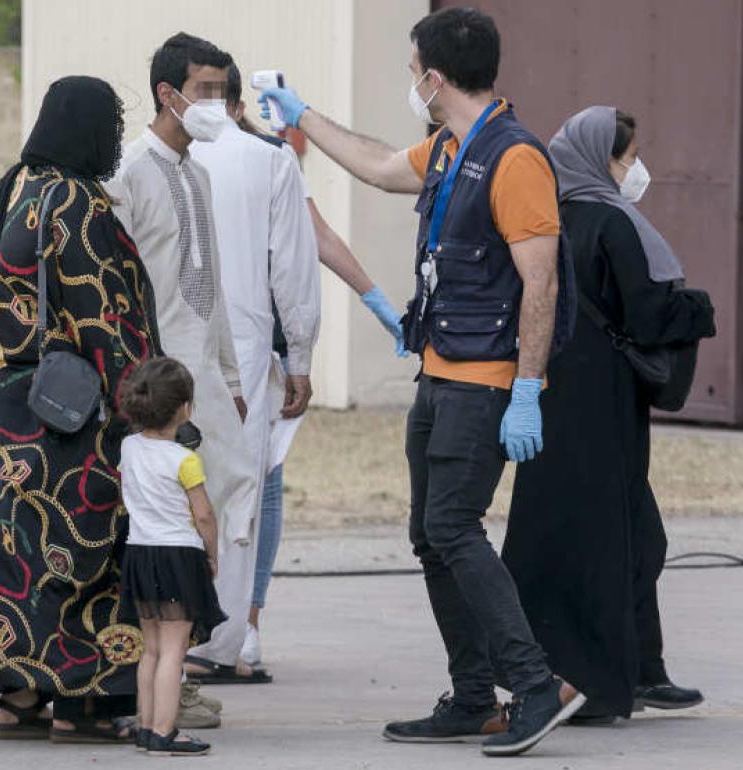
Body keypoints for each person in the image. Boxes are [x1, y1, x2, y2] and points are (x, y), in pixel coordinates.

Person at [260, 7, 586, 756]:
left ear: (435, 77)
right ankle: (475, 697)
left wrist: (527, 388)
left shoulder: (514, 159)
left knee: (451, 527)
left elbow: (540, 285)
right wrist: (304, 112)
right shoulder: (449, 147)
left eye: (412, 71)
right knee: (430, 536)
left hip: (486, 381)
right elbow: (378, 164)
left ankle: (535, 687)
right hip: (439, 373)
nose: (411, 81)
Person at [0, 75, 160, 744]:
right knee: (83, 558)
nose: (119, 142)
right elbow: (105, 319)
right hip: (55, 429)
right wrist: (151, 411)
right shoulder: (78, 202)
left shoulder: (21, 187)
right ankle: (85, 705)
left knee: (19, 564)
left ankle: (19, 700)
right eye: (114, 128)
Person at [503, 106, 716, 723]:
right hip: (604, 408)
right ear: (601, 159)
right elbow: (650, 314)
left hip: (549, 398)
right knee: (622, 538)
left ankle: (635, 669)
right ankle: (600, 677)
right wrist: (700, 309)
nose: (633, 168)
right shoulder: (613, 223)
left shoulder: (549, 217)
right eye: (625, 156)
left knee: (604, 533)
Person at [225, 66, 406, 667]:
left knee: (264, 480)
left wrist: (376, 299)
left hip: (262, 348)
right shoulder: (170, 159)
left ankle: (246, 621)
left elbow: (316, 237)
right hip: (200, 347)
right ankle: (207, 620)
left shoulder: (268, 158)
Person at [105, 34, 264, 692]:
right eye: (205, 90)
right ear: (168, 94)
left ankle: (173, 676)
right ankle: (148, 682)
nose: (218, 103)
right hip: (150, 388)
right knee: (156, 534)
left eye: (224, 91)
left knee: (212, 516)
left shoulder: (198, 173)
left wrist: (229, 381)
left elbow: (212, 290)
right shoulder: (128, 172)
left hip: (198, 379)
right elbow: (114, 291)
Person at [187, 59, 321, 683]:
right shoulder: (271, 162)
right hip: (242, 352)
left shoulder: (141, 161)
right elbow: (292, 271)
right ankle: (225, 641)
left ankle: (166, 637)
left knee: (170, 494)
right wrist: (300, 356)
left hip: (163, 358)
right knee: (240, 497)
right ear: (239, 104)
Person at [118, 357, 227, 757]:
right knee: (174, 650)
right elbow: (204, 514)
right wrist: (212, 554)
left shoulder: (129, 448)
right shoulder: (185, 460)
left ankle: (146, 725)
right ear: (185, 409)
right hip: (178, 556)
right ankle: (166, 731)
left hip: (140, 555)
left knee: (149, 649)